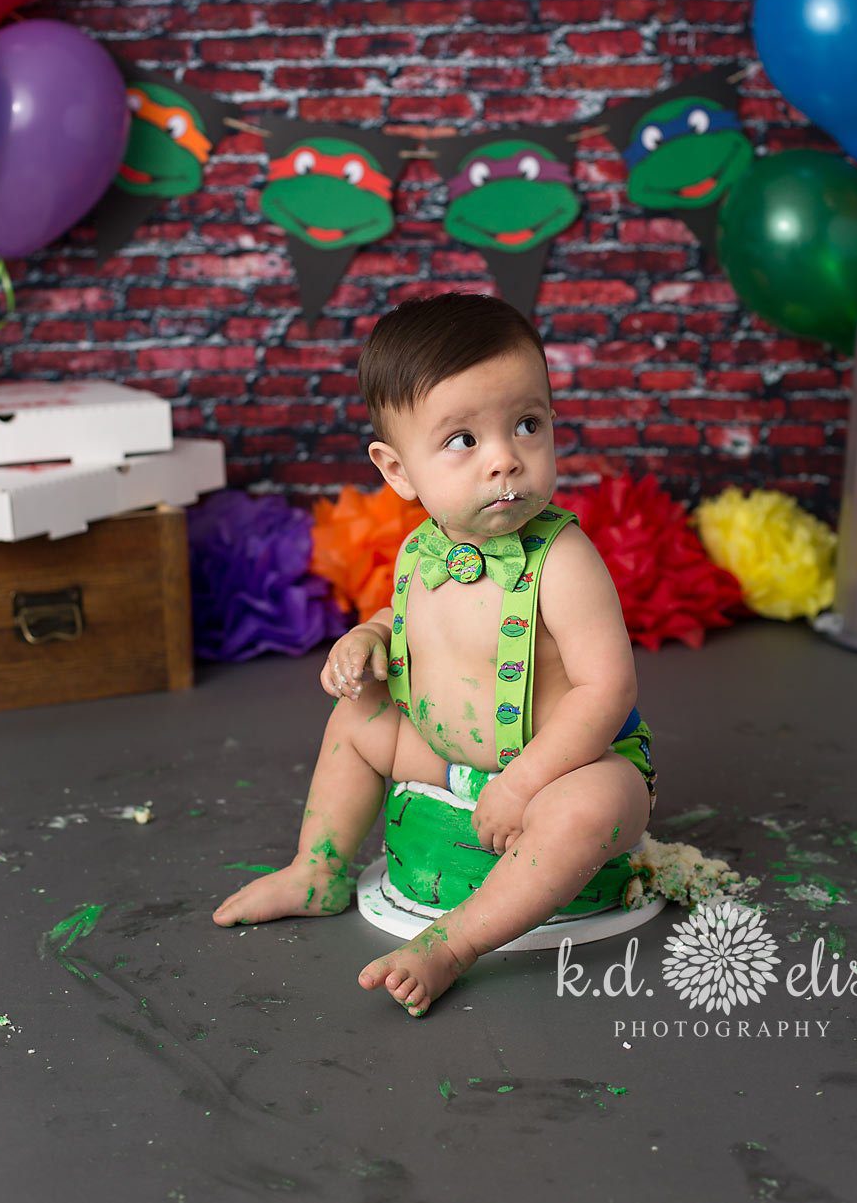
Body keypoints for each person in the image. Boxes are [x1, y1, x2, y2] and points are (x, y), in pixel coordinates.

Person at [213, 291, 657, 1017]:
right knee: (358, 718)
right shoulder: (423, 548)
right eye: (463, 440)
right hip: (442, 752)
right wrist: (370, 636)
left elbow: (607, 689)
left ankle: (455, 943)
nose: (505, 460)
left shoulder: (566, 559)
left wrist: (524, 782)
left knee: (595, 804)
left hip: (558, 768)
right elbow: (415, 618)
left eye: (527, 424)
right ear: (398, 471)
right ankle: (315, 869)